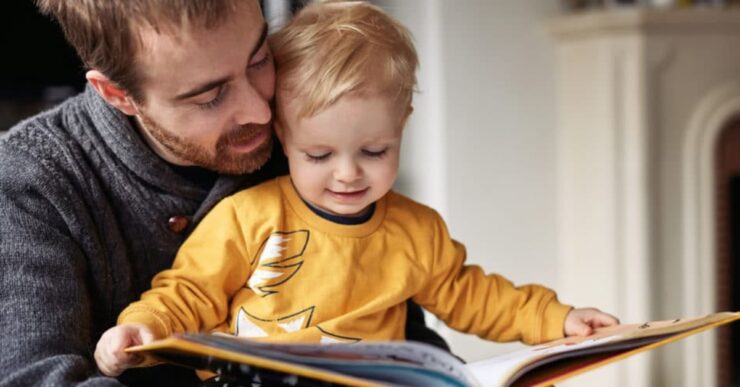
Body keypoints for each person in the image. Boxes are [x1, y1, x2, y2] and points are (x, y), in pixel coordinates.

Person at [94, 0, 620, 379]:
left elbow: (473, 295)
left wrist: (559, 319)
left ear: (403, 126)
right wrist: (144, 328)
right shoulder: (248, 215)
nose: (348, 174)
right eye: (318, 156)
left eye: (375, 152)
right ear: (282, 135)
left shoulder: (417, 231)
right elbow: (190, 292)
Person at [0, 1, 445, 385]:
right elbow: (37, 376)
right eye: (210, 96)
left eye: (258, 60)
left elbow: (399, 328)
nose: (258, 109)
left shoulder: (309, 140)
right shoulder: (32, 180)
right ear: (118, 94)